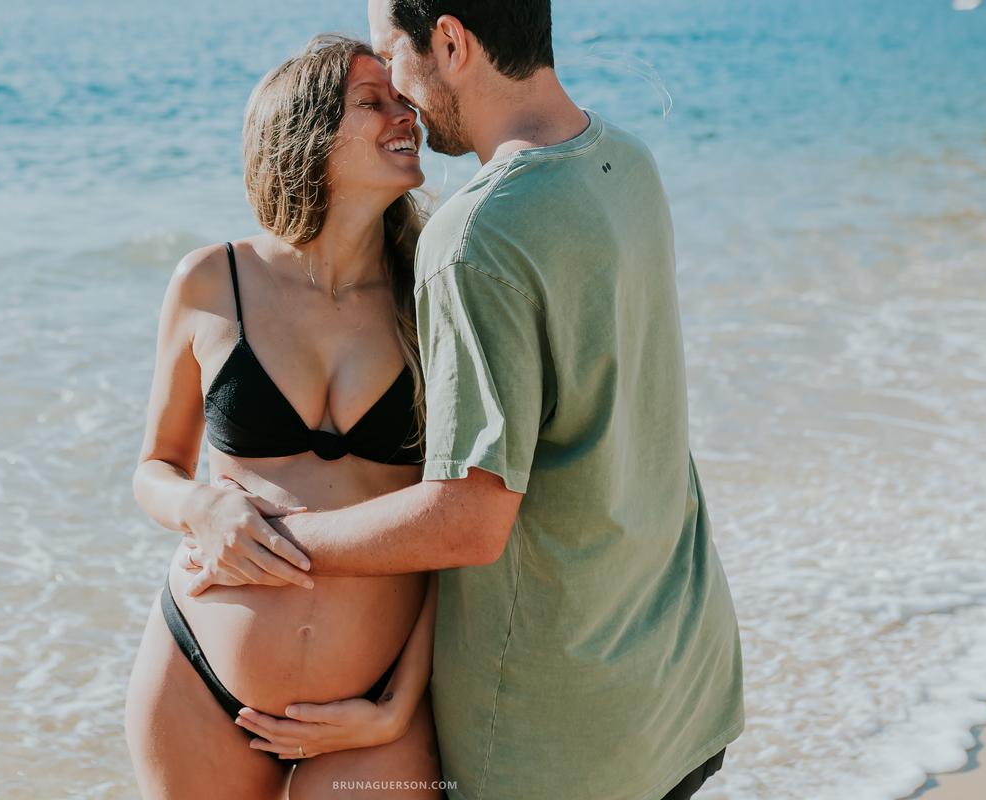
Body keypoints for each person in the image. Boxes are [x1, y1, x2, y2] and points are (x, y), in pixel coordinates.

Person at [179, 1, 746, 799]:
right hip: (677, 680)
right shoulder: (626, 160)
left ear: (450, 41)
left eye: (392, 60)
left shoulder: (474, 236)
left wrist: (264, 534)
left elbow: (469, 518)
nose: (402, 100)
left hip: (554, 732)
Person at [124, 35, 450, 799]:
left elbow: (463, 518)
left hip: (371, 713)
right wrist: (200, 504)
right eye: (374, 101)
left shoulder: (434, 290)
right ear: (303, 129)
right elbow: (153, 470)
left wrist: (402, 703)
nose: (407, 115)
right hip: (198, 679)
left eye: (404, 99)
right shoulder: (211, 281)